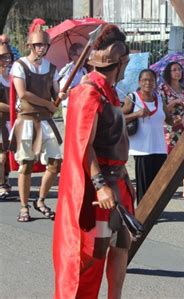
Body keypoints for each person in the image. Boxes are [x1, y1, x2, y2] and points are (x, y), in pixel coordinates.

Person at [52, 24, 132, 298]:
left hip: (118, 184)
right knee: (93, 256)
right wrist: (100, 184)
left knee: (121, 244)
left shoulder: (110, 91)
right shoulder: (88, 92)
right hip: (100, 194)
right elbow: (83, 145)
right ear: (119, 62)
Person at [10, 18, 66, 222]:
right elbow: (23, 94)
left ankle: (41, 200)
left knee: (55, 163)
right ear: (31, 46)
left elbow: (57, 91)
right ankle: (24, 206)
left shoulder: (51, 68)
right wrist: (49, 104)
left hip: (45, 121)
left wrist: (62, 95)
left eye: (44, 45)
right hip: (26, 120)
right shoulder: (19, 65)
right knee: (26, 165)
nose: (42, 48)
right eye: (38, 45)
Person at [122, 68, 171, 204]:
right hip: (142, 149)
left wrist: (175, 120)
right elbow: (118, 117)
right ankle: (143, 213)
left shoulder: (159, 98)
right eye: (144, 80)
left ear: (155, 83)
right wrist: (136, 114)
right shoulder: (132, 98)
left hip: (160, 147)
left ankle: (154, 210)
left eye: (151, 80)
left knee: (157, 183)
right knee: (144, 184)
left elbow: (168, 118)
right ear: (139, 81)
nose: (148, 83)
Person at [160, 61, 184, 200]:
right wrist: (174, 102)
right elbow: (162, 109)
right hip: (170, 127)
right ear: (169, 72)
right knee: (170, 157)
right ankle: (166, 186)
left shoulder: (183, 89)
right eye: (174, 70)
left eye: (179, 70)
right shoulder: (164, 89)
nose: (177, 72)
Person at [58, 42, 87, 126]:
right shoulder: (66, 71)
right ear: (72, 56)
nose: (84, 58)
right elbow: (63, 94)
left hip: (82, 106)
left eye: (85, 54)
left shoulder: (84, 70)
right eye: (81, 55)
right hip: (70, 108)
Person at [0, 41, 12, 199]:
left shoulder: (13, 76)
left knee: (8, 155)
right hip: (1, 120)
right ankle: (1, 183)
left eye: (8, 57)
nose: (6, 61)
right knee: (1, 155)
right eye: (3, 57)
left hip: (12, 121)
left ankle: (6, 179)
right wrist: (13, 109)